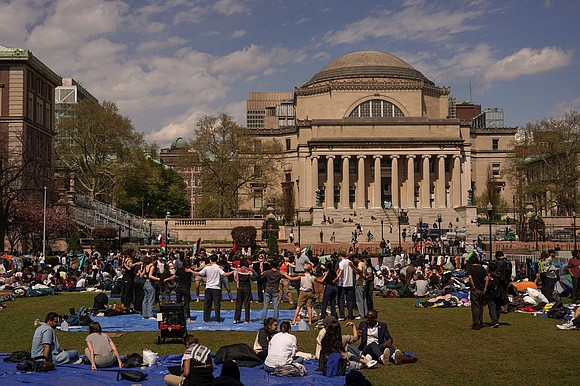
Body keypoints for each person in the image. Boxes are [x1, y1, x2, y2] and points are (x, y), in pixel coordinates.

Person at [194, 254, 235, 322]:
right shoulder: (218, 268)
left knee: (207, 304)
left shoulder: (207, 268)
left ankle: (206, 318)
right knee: (217, 305)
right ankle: (217, 319)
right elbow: (224, 274)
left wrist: (191, 271)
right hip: (216, 288)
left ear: (210, 260)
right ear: (217, 260)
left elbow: (199, 273)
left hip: (208, 288)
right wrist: (232, 271)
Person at [165, 258, 196, 323]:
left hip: (179, 288)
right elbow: (196, 272)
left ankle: (178, 317)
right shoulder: (190, 270)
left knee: (178, 303)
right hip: (186, 288)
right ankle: (189, 318)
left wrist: (167, 279)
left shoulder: (179, 269)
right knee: (186, 303)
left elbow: (173, 276)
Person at [233, 259, 256, 324]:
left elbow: (235, 278)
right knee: (247, 304)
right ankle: (247, 319)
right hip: (247, 288)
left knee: (238, 304)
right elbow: (254, 277)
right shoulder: (248, 271)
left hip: (240, 287)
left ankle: (236, 319)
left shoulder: (237, 271)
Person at [468, 255, 488, 330]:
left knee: (475, 307)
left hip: (475, 290)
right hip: (482, 289)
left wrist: (473, 286)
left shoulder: (471, 269)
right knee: (481, 306)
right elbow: (486, 278)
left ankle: (476, 323)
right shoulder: (482, 268)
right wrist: (485, 287)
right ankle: (480, 321)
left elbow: (470, 277)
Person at [335, 251, 355, 321]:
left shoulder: (341, 263)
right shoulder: (350, 262)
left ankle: (342, 315)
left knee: (341, 299)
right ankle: (350, 315)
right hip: (350, 282)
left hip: (342, 283)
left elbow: (340, 271)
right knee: (349, 300)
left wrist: (337, 278)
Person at [485, 261, 504, 328]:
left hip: (490, 293)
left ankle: (494, 321)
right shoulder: (499, 274)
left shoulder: (488, 274)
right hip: (498, 292)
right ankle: (496, 319)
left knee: (492, 307)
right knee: (497, 307)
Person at [142, 255, 160, 319]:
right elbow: (150, 275)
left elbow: (142, 274)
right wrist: (157, 279)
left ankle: (144, 314)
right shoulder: (152, 267)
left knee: (145, 299)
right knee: (151, 299)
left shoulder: (146, 266)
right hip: (150, 284)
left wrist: (145, 276)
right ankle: (150, 315)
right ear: (153, 261)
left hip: (145, 284)